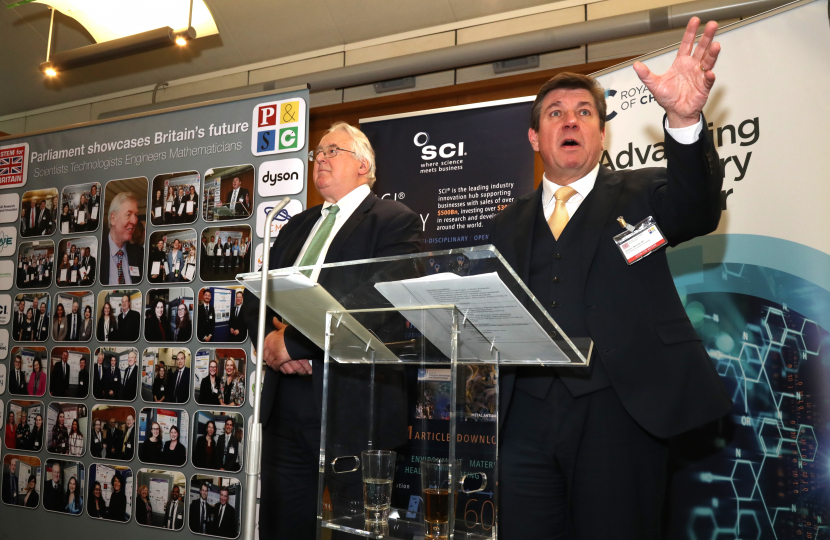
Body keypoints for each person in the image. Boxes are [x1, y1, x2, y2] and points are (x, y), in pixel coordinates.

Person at [487, 21, 733, 539]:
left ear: (602, 132)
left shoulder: (644, 192)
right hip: (521, 419)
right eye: (555, 114)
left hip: (621, 408)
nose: (569, 121)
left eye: (583, 113)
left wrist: (684, 120)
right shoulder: (504, 223)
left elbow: (697, 208)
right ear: (535, 136)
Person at [242, 121, 421, 539]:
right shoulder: (295, 225)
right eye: (316, 153)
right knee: (282, 525)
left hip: (356, 405)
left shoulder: (395, 221)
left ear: (363, 164)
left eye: (331, 151)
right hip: (286, 405)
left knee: (354, 531)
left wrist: (295, 343)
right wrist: (270, 343)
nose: (319, 158)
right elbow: (257, 296)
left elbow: (377, 301)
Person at [100, 191, 144, 285]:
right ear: (113, 218)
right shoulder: (97, 253)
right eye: (128, 214)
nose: (134, 221)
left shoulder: (139, 256)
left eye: (136, 215)